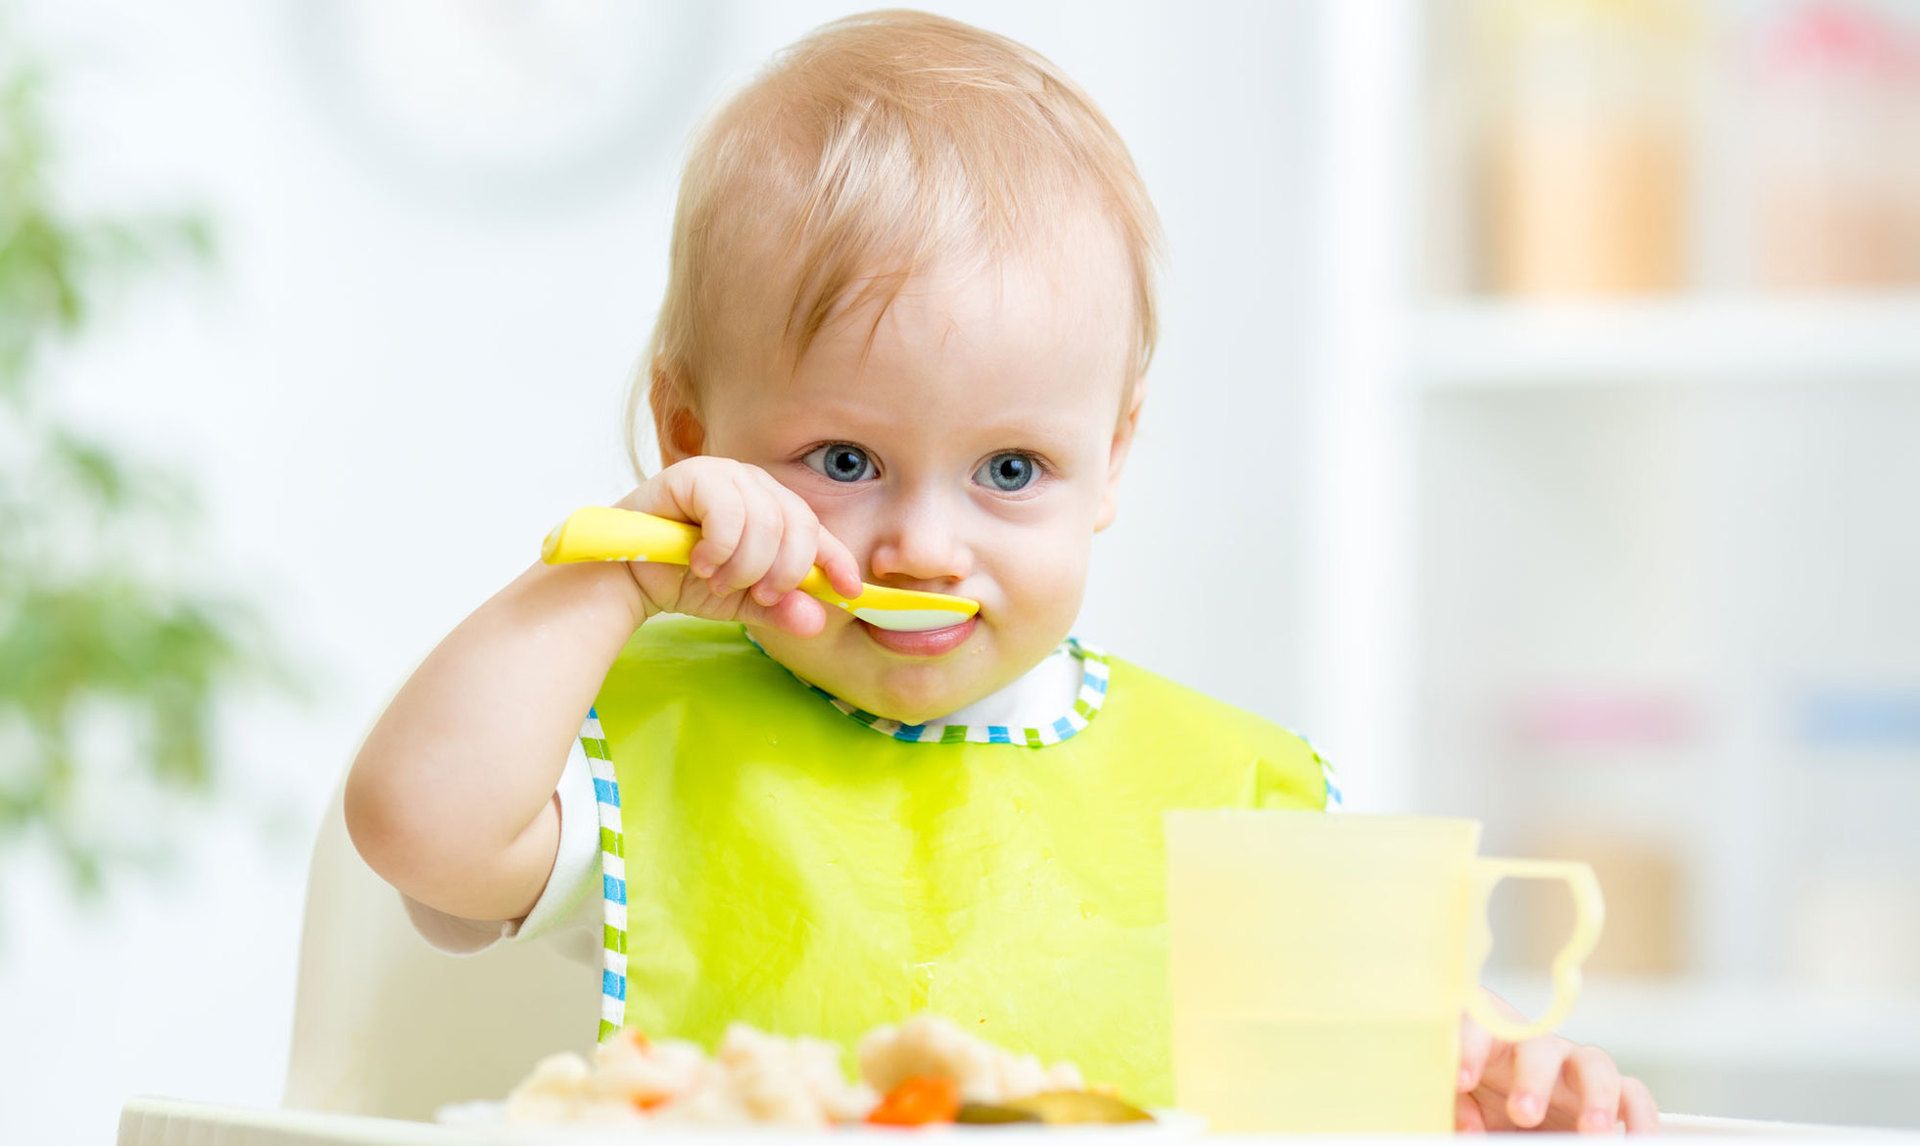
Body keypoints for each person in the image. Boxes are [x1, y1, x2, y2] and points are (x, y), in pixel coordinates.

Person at [343, 10, 1654, 1132]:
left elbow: (1329, 1105)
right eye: (844, 458)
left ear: (1113, 459)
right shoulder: (643, 732)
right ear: (695, 439)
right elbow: (415, 823)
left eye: (1011, 469)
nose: (922, 542)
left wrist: (1472, 1095)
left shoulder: (1239, 799)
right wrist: (613, 574)